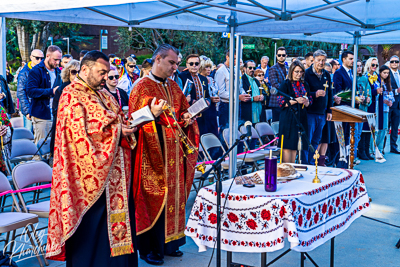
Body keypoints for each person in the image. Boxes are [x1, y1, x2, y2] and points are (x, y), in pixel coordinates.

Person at [46, 51, 138, 266]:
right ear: (85, 70)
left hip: (115, 175)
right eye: (101, 72)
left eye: (107, 73)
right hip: (86, 180)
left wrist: (126, 125)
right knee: (91, 232)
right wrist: (117, 131)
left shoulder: (104, 94)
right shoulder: (71, 94)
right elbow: (78, 137)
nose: (105, 77)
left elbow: (115, 120)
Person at [129, 44, 199, 266]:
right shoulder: (141, 87)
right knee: (153, 199)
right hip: (152, 154)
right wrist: (152, 113)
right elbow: (133, 120)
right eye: (172, 62)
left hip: (174, 154)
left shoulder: (174, 86)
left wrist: (188, 117)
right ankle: (150, 248)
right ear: (157, 59)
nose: (175, 67)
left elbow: (181, 112)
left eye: (177, 63)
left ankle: (171, 243)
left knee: (174, 199)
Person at [26, 45, 62, 144]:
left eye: (59, 60)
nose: (58, 62)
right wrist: (51, 91)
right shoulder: (36, 71)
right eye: (55, 59)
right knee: (41, 146)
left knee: (53, 146)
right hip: (41, 115)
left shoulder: (58, 71)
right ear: (47, 56)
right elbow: (31, 91)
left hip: (55, 114)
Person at [277, 60, 311, 163]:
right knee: (288, 145)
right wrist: (296, 100)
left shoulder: (304, 84)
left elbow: (310, 99)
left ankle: (292, 168)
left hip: (300, 118)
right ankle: (286, 169)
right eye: (296, 71)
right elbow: (281, 102)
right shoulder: (286, 83)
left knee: (296, 145)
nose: (299, 74)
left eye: (301, 72)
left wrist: (307, 102)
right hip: (288, 117)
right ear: (291, 71)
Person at [303, 50, 332, 165]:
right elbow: (303, 92)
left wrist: (329, 110)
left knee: (316, 140)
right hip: (310, 112)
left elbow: (330, 93)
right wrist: (315, 94)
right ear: (313, 60)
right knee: (308, 140)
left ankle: (312, 162)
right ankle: (305, 163)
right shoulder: (306, 74)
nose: (321, 62)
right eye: (319, 60)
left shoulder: (326, 75)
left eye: (323, 60)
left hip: (322, 113)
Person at [214, 50, 250, 133]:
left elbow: (240, 87)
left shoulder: (237, 70)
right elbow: (221, 92)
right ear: (227, 57)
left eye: (237, 59)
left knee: (237, 129)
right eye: (233, 59)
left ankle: (238, 146)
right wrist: (237, 96)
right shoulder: (221, 71)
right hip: (226, 105)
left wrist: (244, 95)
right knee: (226, 131)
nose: (235, 61)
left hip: (237, 105)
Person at [50, 59, 80, 153]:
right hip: (65, 130)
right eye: (74, 72)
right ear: (68, 73)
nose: (77, 75)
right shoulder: (62, 89)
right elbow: (56, 111)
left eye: (79, 72)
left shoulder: (86, 89)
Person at [179, 54, 211, 136]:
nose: (194, 66)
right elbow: (180, 95)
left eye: (196, 63)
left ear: (199, 65)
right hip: (189, 114)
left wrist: (208, 101)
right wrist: (192, 101)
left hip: (203, 115)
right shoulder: (182, 76)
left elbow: (207, 95)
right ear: (187, 64)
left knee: (202, 137)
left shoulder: (203, 78)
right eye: (191, 63)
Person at [17, 49, 44, 132]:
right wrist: (27, 111)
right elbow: (21, 93)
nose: (40, 60)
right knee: (29, 133)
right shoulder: (24, 72)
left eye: (42, 58)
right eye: (37, 58)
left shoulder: (44, 70)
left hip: (42, 108)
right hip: (30, 108)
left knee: (42, 134)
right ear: (31, 57)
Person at [364, 57, 383, 156]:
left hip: (376, 104)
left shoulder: (377, 76)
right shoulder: (365, 76)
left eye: (376, 65)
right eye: (373, 65)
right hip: (368, 105)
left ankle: (370, 150)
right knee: (366, 128)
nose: (375, 67)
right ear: (368, 65)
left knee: (373, 128)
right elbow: (365, 91)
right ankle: (364, 150)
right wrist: (376, 91)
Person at [199, 57, 220, 137]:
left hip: (213, 110)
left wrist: (217, 98)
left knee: (213, 133)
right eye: (206, 67)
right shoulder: (198, 79)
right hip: (203, 111)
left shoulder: (211, 79)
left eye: (210, 67)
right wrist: (210, 99)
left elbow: (216, 92)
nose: (209, 69)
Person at [356, 60, 373, 160]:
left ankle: (360, 152)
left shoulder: (364, 79)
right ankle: (354, 154)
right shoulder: (353, 78)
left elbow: (368, 92)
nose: (359, 68)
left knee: (359, 133)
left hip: (363, 109)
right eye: (357, 66)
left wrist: (368, 99)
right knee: (354, 132)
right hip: (354, 108)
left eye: (360, 66)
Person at [377, 65, 394, 154]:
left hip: (386, 109)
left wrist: (390, 101)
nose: (386, 75)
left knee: (385, 129)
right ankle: (376, 148)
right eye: (384, 73)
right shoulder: (378, 81)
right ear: (380, 72)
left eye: (387, 73)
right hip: (380, 108)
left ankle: (380, 148)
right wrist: (385, 100)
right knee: (379, 129)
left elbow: (391, 95)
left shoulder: (388, 83)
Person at [269, 46, 289, 122]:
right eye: (279, 55)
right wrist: (287, 89)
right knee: (277, 124)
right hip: (276, 101)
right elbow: (275, 84)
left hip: (286, 100)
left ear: (286, 56)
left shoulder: (288, 68)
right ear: (276, 56)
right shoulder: (273, 68)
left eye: (283, 55)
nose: (281, 57)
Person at [388, 55, 400, 154]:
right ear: (389, 63)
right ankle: (381, 148)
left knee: (395, 126)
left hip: (398, 105)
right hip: (389, 104)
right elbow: (386, 88)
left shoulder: (399, 74)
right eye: (392, 62)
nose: (394, 63)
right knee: (385, 127)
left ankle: (394, 146)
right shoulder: (387, 74)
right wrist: (396, 91)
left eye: (396, 61)